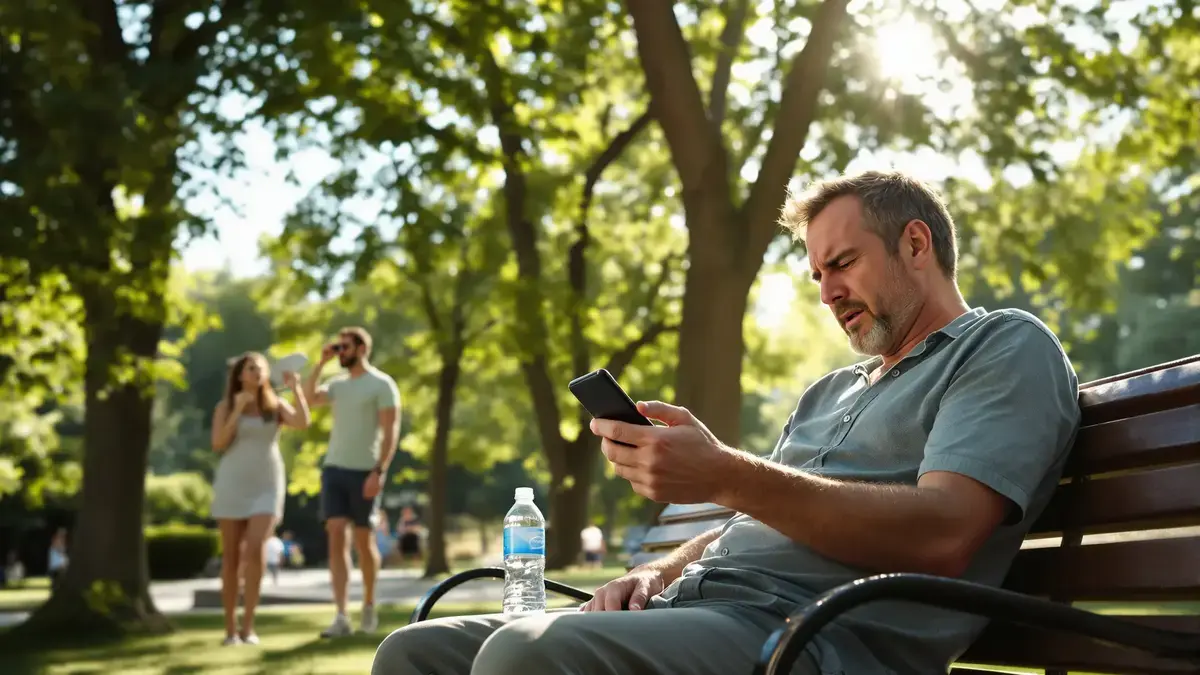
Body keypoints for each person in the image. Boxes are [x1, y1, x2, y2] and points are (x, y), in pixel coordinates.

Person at [370, 170, 1083, 675]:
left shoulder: (1004, 346)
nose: (829, 292)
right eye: (817, 275)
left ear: (917, 245)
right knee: (415, 652)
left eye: (842, 263)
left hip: (811, 637)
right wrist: (651, 572)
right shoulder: (829, 390)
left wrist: (726, 472)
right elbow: (742, 526)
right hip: (700, 611)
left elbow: (946, 530)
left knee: (524, 654)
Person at [304, 326, 401, 638]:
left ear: (361, 348)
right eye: (337, 346)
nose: (339, 351)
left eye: (344, 347)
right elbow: (307, 399)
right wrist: (320, 363)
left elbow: (391, 432)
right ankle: (341, 615)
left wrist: (379, 471)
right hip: (334, 469)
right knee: (334, 535)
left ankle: (369, 605)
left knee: (363, 539)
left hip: (365, 472)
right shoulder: (338, 385)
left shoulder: (382, 384)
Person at [210, 352, 310, 646]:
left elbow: (302, 422)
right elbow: (218, 443)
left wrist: (296, 389)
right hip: (232, 483)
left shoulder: (274, 405)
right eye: (251, 368)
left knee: (255, 550)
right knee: (231, 557)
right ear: (240, 375)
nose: (257, 373)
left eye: (261, 369)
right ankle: (230, 629)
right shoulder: (225, 406)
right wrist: (236, 412)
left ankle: (248, 627)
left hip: (267, 484)